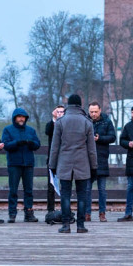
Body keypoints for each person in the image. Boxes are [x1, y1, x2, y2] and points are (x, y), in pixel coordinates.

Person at [47, 94, 96, 234]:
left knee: (65, 195)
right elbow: (92, 149)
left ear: (68, 105)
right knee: (82, 195)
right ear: (80, 105)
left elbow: (54, 147)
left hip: (65, 163)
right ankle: (80, 225)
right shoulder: (87, 122)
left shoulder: (61, 122)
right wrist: (94, 167)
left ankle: (66, 225)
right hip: (82, 164)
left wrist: (52, 165)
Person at [1, 107, 42, 223]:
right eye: (19, 117)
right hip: (14, 164)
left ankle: (29, 213)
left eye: (23, 117)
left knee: (28, 190)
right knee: (13, 190)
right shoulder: (8, 130)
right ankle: (12, 213)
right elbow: (5, 144)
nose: (21, 119)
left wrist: (30, 143)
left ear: (26, 118)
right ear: (15, 118)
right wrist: (17, 143)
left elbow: (37, 144)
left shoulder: (31, 130)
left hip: (28, 164)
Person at [89, 102, 116, 222]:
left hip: (102, 158)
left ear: (100, 110)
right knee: (87, 189)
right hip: (88, 159)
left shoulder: (107, 121)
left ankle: (102, 213)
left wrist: (100, 139)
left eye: (95, 111)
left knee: (102, 190)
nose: (93, 114)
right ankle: (86, 213)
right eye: (91, 112)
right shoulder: (86, 121)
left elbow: (112, 137)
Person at [44, 105, 66, 217]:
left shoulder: (67, 124)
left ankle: (64, 209)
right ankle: (50, 210)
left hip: (64, 159)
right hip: (52, 159)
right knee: (51, 186)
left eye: (62, 111)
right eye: (58, 111)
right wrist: (54, 119)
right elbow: (48, 132)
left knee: (65, 185)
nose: (60, 113)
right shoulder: (51, 124)